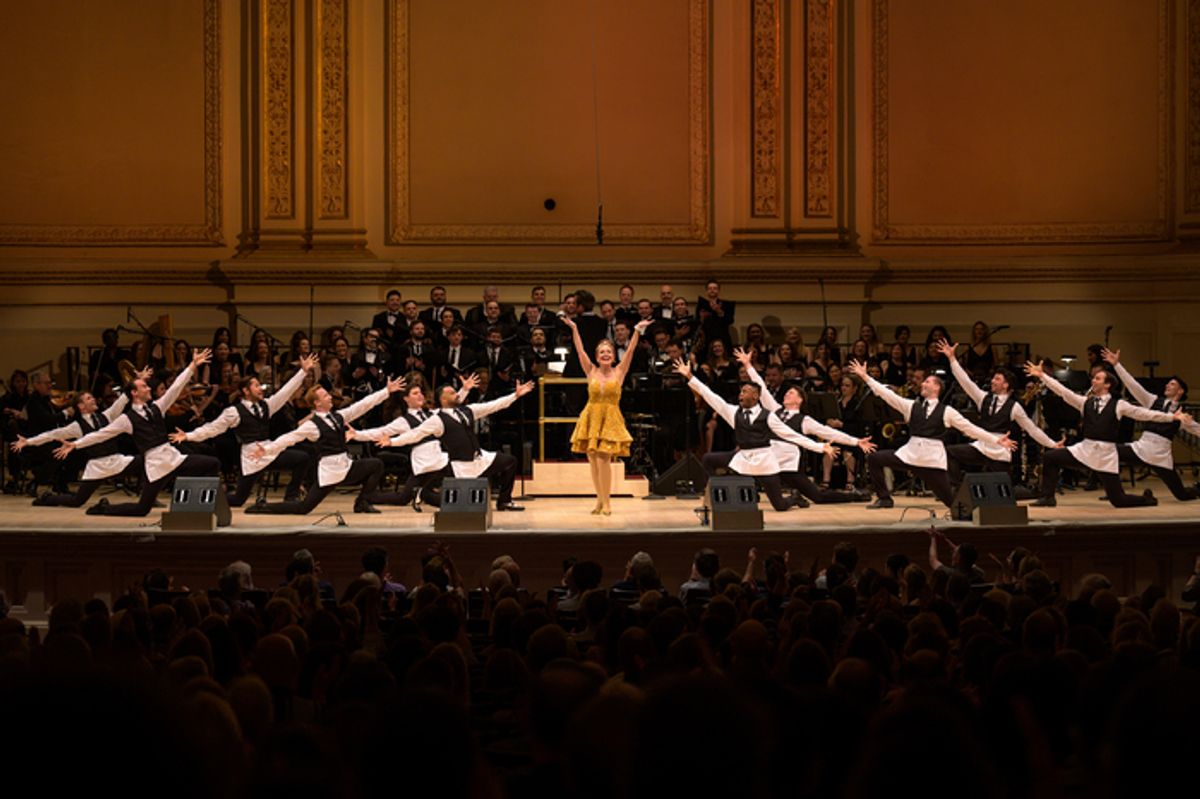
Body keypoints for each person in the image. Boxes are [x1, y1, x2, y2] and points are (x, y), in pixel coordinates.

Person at [53, 348, 221, 516]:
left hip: (173, 457)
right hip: (155, 465)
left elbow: (176, 388)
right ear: (134, 393)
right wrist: (75, 444)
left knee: (212, 463)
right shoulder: (127, 419)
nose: (148, 388)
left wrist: (192, 366)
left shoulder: (157, 407)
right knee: (142, 509)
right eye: (144, 386)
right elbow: (100, 434)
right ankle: (104, 509)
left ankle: (203, 507)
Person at [846, 358, 1016, 509]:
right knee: (874, 458)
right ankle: (884, 498)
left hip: (931, 461)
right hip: (910, 455)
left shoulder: (947, 411)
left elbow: (970, 429)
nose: (922, 384)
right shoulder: (911, 405)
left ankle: (980, 511)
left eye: (927, 381)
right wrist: (865, 377)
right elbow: (886, 394)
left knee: (954, 504)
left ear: (936, 387)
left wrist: (996, 440)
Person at [674, 358, 833, 512]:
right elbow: (709, 395)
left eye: (745, 392)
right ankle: (715, 494)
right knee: (708, 459)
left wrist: (819, 447)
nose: (740, 395)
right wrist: (689, 376)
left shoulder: (769, 416)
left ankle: (794, 499)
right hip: (743, 458)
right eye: (740, 392)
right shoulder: (733, 412)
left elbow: (792, 436)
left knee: (780, 506)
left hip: (764, 462)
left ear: (756, 396)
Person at [1023, 359, 1187, 508]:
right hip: (1085, 450)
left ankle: (1147, 500)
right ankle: (1047, 497)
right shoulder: (1085, 402)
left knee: (1118, 500)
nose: (1093, 380)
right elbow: (1063, 392)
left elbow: (1145, 414)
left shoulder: (1119, 405)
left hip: (1105, 455)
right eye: (1093, 378)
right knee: (1051, 457)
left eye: (1098, 378)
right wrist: (1043, 375)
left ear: (1107, 384)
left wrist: (1172, 416)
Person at [167, 354, 319, 507]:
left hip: (267, 450)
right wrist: (188, 436)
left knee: (302, 458)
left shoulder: (267, 405)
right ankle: (203, 497)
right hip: (251, 456)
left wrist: (303, 372)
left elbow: (285, 392)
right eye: (257, 386)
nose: (261, 389)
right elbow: (212, 429)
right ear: (246, 391)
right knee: (238, 500)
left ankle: (291, 497)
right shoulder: (234, 412)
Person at [245, 375, 407, 515]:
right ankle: (263, 506)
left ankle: (362, 502)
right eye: (325, 396)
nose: (330, 397)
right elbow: (289, 438)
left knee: (375, 465)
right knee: (304, 508)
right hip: (330, 472)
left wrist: (386, 391)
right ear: (317, 403)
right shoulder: (312, 425)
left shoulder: (338, 416)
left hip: (346, 466)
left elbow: (362, 406)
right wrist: (266, 449)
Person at [738, 349, 875, 505]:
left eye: (790, 393)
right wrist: (748, 365)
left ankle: (854, 496)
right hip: (770, 462)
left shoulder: (804, 420)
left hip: (788, 466)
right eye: (786, 393)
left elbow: (829, 432)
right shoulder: (775, 410)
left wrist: (856, 442)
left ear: (799, 400)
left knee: (818, 497)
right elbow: (760, 388)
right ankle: (764, 493)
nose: (786, 395)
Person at [380, 379, 538, 511]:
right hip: (460, 466)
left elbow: (493, 405)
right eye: (450, 392)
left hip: (480, 459)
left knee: (510, 462)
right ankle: (423, 495)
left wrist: (515, 395)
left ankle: (504, 501)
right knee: (458, 503)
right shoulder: (437, 420)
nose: (455, 393)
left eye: (455, 391)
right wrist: (392, 441)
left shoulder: (468, 410)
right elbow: (415, 434)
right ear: (442, 399)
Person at [11, 367, 152, 507]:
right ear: (81, 406)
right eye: (88, 398)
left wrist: (139, 379)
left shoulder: (106, 416)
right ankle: (48, 499)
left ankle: (148, 499)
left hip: (116, 460)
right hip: (97, 466)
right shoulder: (77, 426)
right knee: (77, 501)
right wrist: (28, 441)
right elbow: (51, 435)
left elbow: (124, 398)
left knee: (149, 459)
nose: (93, 400)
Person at [933, 339, 1061, 490]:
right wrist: (952, 358)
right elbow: (965, 382)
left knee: (1003, 494)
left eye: (997, 379)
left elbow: (1032, 430)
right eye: (994, 378)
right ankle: (958, 490)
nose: (993, 381)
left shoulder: (1015, 407)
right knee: (949, 453)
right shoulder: (983, 398)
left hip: (1000, 452)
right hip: (981, 447)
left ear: (1006, 385)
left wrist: (1052, 444)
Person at [561, 315, 652, 514]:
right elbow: (579, 349)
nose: (605, 354)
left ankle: (607, 502)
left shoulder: (619, 371)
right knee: (593, 461)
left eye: (608, 351)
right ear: (596, 355)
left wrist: (637, 331)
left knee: (604, 460)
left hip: (610, 418)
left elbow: (629, 351)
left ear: (613, 355)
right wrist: (574, 328)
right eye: (602, 351)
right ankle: (599, 500)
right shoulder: (590, 370)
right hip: (591, 417)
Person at [359, 375, 480, 508]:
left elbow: (450, 404)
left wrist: (465, 389)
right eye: (415, 393)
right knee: (404, 498)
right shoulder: (403, 421)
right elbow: (380, 432)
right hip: (424, 462)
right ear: (406, 398)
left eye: (421, 393)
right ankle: (368, 497)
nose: (420, 395)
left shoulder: (432, 414)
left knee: (450, 476)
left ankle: (454, 503)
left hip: (439, 458)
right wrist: (356, 435)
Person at [1102, 347, 1200, 501]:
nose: (1167, 385)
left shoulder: (1183, 414)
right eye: (1168, 384)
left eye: (1172, 384)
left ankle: (1196, 489)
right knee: (1107, 450)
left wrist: (1184, 421)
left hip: (1161, 456)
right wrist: (1116, 365)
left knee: (1182, 495)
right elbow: (1133, 385)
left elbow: (1197, 430)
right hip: (1141, 448)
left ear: (1180, 391)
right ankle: (1114, 492)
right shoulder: (1152, 400)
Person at [371, 289, 408, 355]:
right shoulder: (378, 318)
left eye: (397, 300)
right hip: (381, 353)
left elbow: (407, 338)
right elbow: (373, 335)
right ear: (387, 302)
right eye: (392, 300)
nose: (395, 302)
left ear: (400, 302)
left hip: (400, 354)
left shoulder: (405, 318)